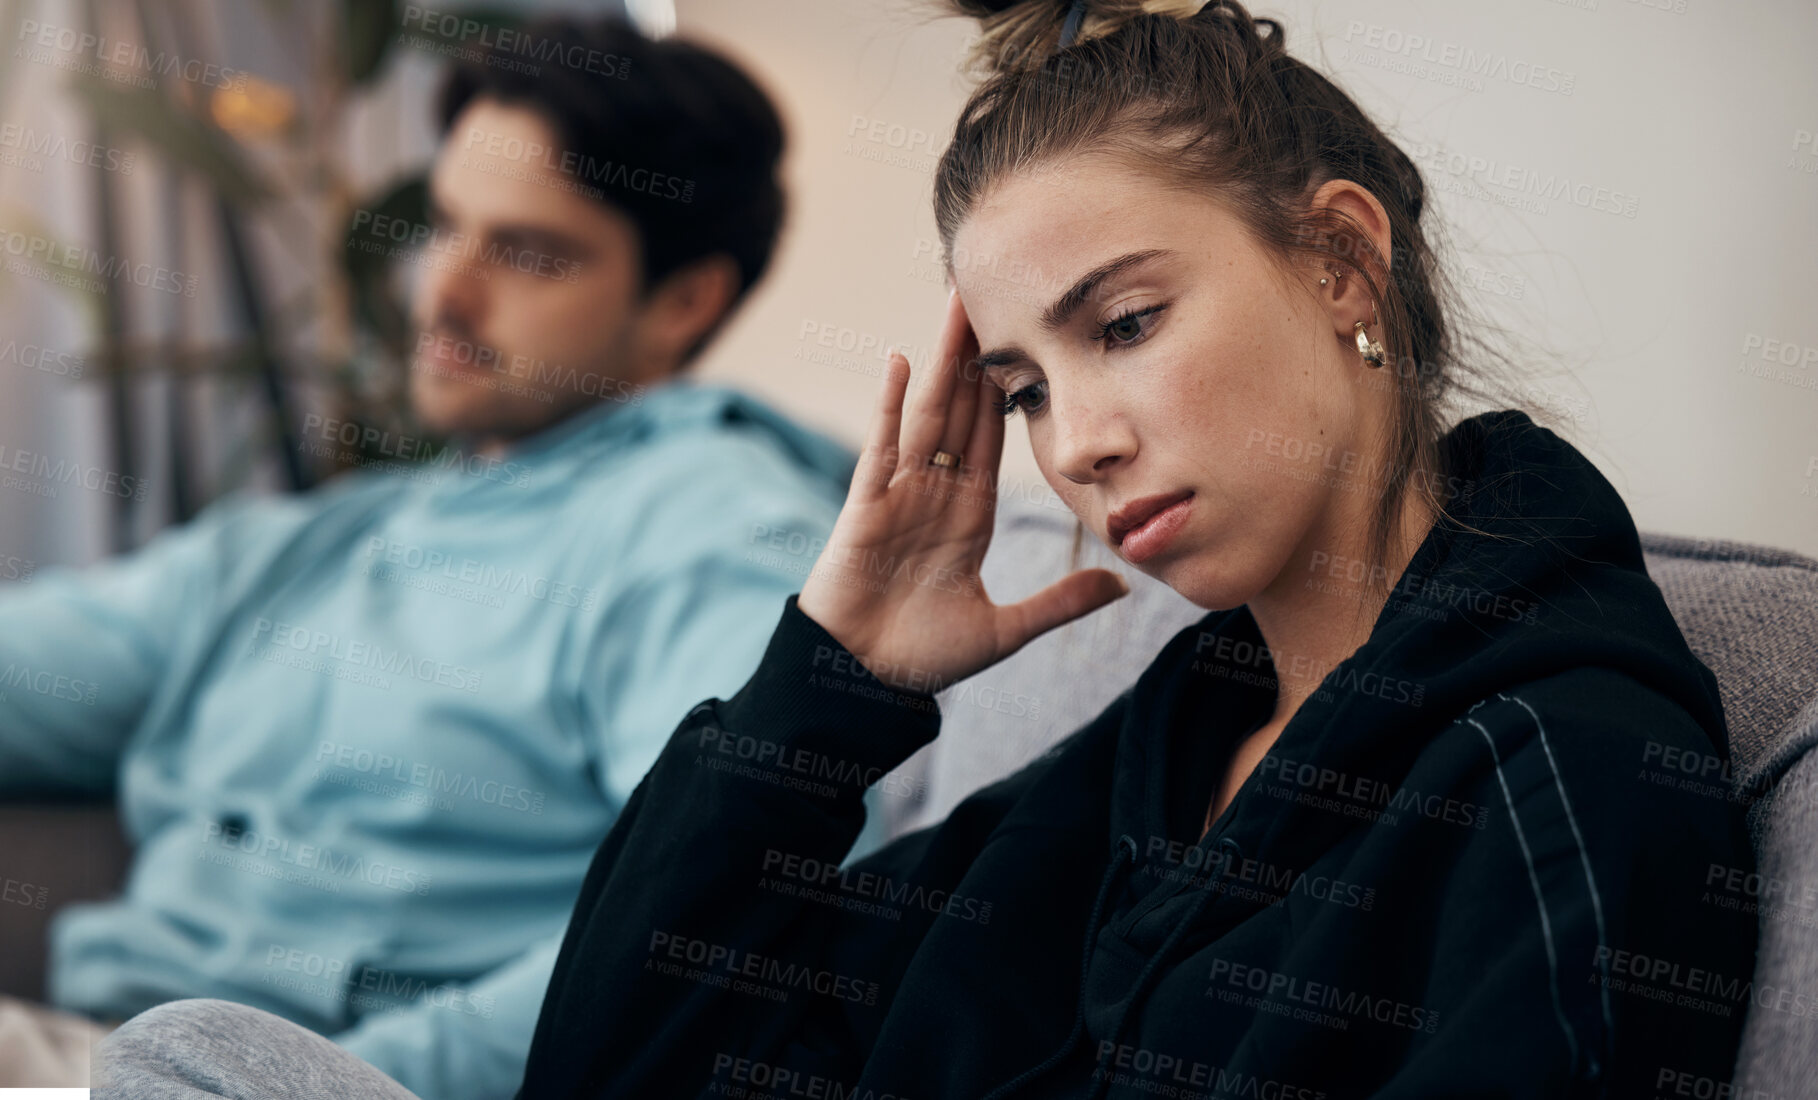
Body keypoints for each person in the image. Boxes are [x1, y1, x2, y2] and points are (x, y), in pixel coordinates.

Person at [93, 1, 1760, 1098]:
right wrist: (829, 681)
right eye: (1025, 384)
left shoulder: (1567, 770)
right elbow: (618, 1070)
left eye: (1125, 322)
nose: (1076, 441)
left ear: (1338, 263)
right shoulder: (1155, 752)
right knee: (191, 1064)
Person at [1, 13, 854, 1097]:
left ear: (683, 301)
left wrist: (336, 1080)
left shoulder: (703, 530)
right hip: (92, 1048)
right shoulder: (336, 536)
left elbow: (725, 905)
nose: (442, 292)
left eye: (528, 253)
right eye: (447, 226)